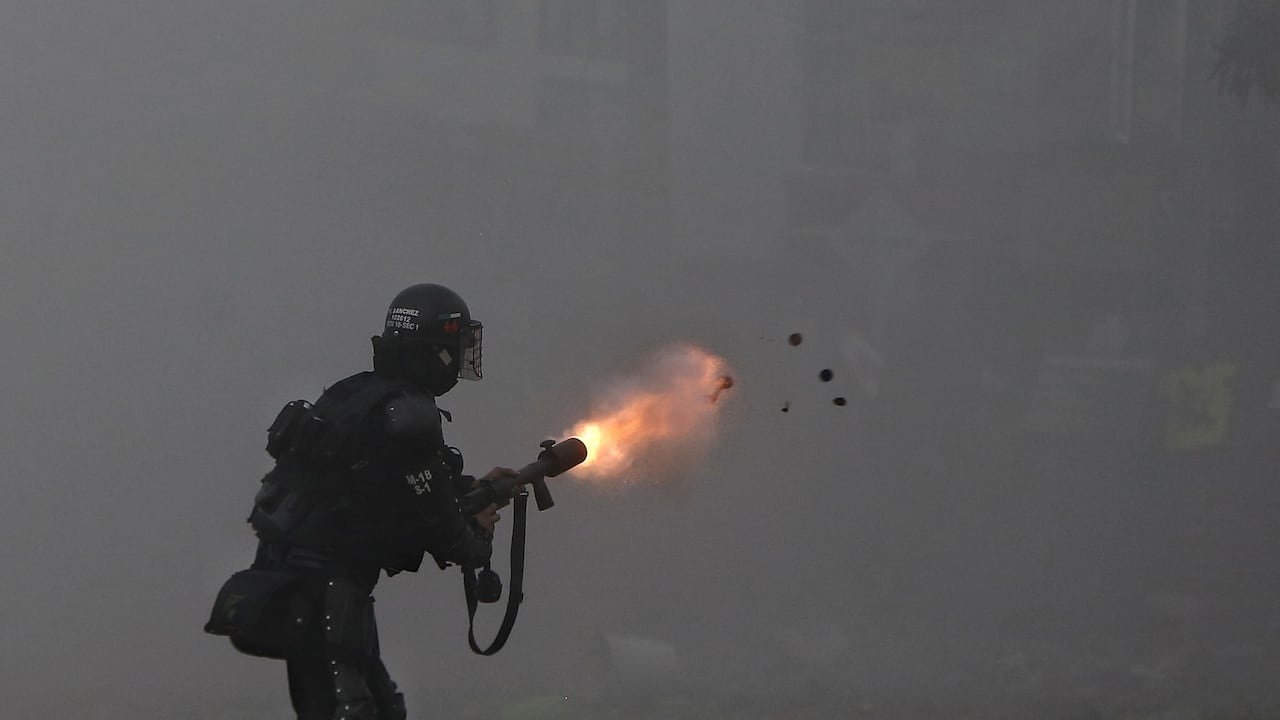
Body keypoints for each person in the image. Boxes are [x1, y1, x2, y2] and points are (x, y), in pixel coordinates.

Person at [206, 283, 515, 720]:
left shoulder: (356, 393)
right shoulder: (409, 415)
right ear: (435, 350)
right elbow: (444, 533)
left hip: (296, 576)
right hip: (327, 590)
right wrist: (478, 531)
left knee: (377, 708)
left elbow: (387, 486)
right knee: (350, 711)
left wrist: (471, 488)